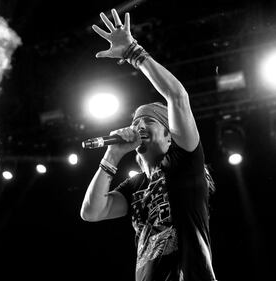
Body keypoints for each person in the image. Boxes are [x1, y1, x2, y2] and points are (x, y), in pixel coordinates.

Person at [81, 9, 217, 281]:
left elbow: (177, 96)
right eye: (135, 121)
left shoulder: (184, 163)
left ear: (169, 136)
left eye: (148, 121)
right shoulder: (135, 186)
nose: (138, 126)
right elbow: (92, 212)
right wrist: (113, 153)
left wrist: (133, 52)